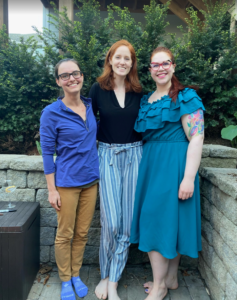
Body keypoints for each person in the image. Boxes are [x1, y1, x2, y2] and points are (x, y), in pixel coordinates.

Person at [130, 47, 205, 300]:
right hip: (152, 167)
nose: (160, 68)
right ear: (150, 70)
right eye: (155, 64)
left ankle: (160, 286)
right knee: (168, 221)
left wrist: (187, 177)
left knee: (158, 222)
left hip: (174, 167)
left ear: (173, 66)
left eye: (165, 63)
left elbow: (196, 137)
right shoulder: (147, 100)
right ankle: (170, 279)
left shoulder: (186, 96)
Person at [40, 58, 99, 300]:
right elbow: (47, 152)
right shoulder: (51, 113)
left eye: (75, 73)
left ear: (82, 76)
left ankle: (76, 274)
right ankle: (65, 279)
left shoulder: (91, 105)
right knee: (65, 233)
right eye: (65, 75)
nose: (71, 78)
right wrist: (51, 190)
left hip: (91, 182)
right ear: (58, 81)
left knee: (83, 233)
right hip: (66, 183)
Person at [89, 40, 143, 300]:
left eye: (127, 58)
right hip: (108, 157)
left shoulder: (138, 92)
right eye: (118, 57)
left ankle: (113, 279)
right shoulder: (97, 90)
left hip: (135, 156)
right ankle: (104, 273)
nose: (122, 62)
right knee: (111, 222)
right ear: (110, 59)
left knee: (128, 224)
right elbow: (85, 125)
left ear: (132, 63)